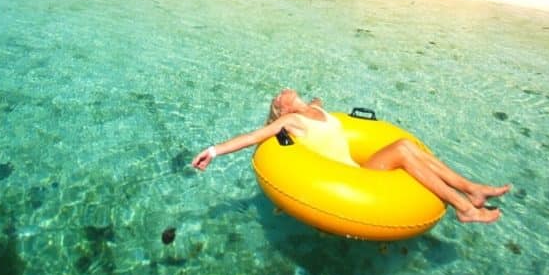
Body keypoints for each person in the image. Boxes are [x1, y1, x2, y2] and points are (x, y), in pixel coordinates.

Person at [192, 88, 511, 224]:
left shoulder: (315, 108)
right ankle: (465, 208)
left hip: (357, 167)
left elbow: (316, 96)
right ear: (282, 109)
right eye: (279, 96)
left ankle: (472, 190)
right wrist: (213, 151)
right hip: (355, 176)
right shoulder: (290, 122)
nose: (283, 91)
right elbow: (251, 137)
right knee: (402, 149)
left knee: (407, 146)